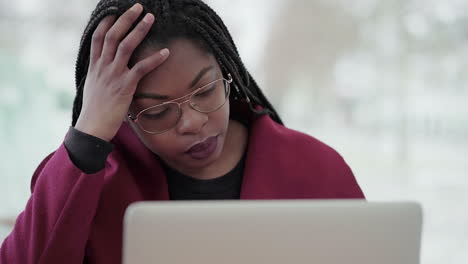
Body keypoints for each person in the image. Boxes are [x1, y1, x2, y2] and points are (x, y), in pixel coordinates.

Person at [0, 0, 365, 263]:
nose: (192, 122)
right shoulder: (85, 180)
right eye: (157, 112)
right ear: (123, 113)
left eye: (205, 91)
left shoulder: (316, 166)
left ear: (228, 76)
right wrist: (87, 137)